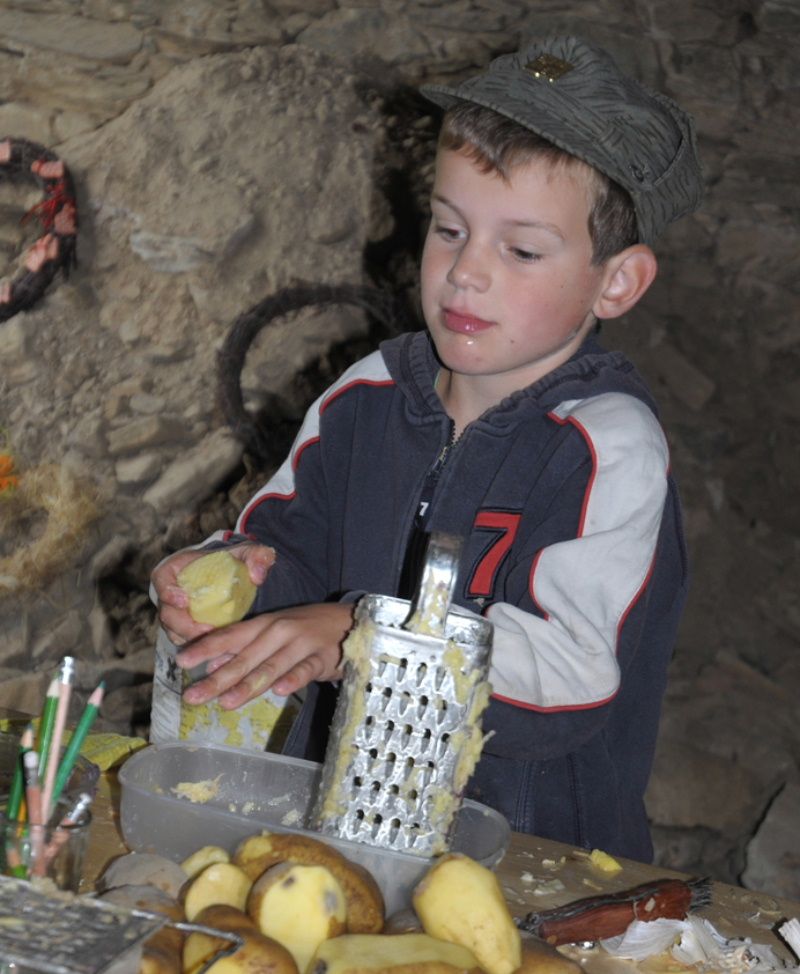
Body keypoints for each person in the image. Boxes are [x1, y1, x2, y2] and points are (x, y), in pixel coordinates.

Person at [152, 35, 704, 861]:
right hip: (334, 824)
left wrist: (358, 638)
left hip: (532, 857)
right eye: (450, 230)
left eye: (520, 250)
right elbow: (288, 551)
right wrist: (229, 581)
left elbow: (572, 670)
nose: (465, 274)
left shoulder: (605, 449)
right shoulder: (366, 394)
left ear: (615, 281)